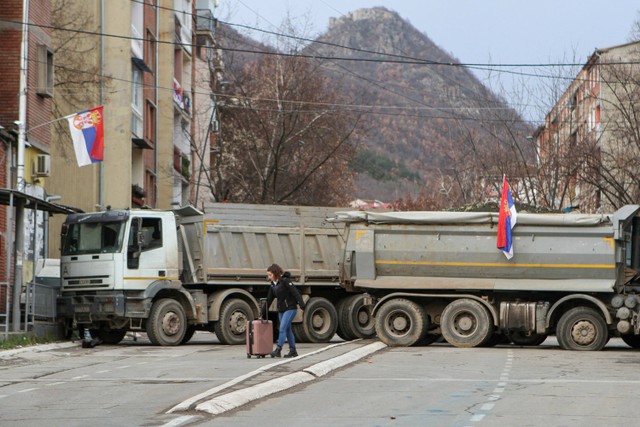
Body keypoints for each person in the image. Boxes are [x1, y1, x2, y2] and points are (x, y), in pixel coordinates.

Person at [266, 263, 306, 358]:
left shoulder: (285, 281)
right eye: (268, 275)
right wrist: (262, 313)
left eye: (270, 275)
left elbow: (296, 293)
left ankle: (278, 349)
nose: (268, 277)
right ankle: (293, 351)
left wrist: (302, 305)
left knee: (282, 328)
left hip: (290, 308)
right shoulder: (273, 285)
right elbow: (269, 300)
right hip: (281, 310)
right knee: (287, 330)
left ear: (275, 273)